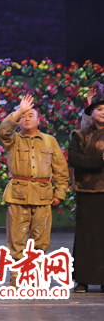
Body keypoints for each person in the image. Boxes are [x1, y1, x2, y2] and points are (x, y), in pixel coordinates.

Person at [0, 95, 69, 280]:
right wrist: (19, 110)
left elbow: (61, 170)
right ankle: (16, 278)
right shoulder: (13, 139)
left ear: (39, 120)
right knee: (16, 240)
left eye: (30, 115)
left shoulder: (49, 141)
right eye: (23, 116)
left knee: (41, 241)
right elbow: (4, 130)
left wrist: (60, 193)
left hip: (43, 196)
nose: (26, 118)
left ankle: (34, 277)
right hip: (18, 195)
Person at [70, 89, 104, 292]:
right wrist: (98, 159)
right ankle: (82, 279)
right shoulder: (80, 134)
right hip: (87, 192)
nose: (102, 112)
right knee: (86, 236)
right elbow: (74, 158)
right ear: (91, 112)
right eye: (98, 108)